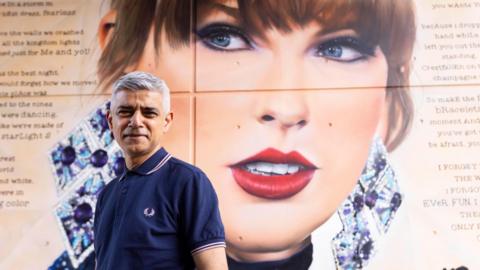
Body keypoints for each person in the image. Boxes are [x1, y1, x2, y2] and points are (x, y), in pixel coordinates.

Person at [96, 0, 416, 269]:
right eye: (225, 37)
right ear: (125, 59)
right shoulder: (112, 203)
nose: (286, 107)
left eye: (339, 48)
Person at [93, 71, 228, 270]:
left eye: (149, 113)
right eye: (125, 112)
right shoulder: (106, 194)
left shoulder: (189, 183)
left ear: (166, 121)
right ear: (111, 122)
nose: (136, 121)